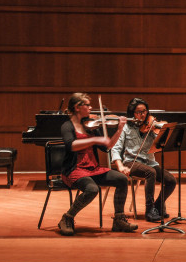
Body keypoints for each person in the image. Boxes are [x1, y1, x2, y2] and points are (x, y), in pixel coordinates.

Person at [58, 93, 138, 236]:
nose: (90, 107)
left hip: (93, 169)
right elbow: (72, 145)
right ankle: (67, 217)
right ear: (77, 107)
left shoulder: (91, 125)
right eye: (87, 105)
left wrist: (119, 129)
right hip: (74, 170)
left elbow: (107, 146)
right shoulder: (67, 126)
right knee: (92, 189)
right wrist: (94, 140)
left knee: (121, 179)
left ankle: (119, 220)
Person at [111, 98, 176, 222]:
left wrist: (156, 132)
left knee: (171, 181)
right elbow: (116, 148)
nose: (142, 115)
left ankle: (158, 205)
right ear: (132, 114)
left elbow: (161, 144)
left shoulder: (152, 127)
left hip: (150, 162)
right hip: (131, 162)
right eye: (138, 112)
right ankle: (149, 210)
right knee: (150, 172)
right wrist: (120, 166)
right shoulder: (126, 127)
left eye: (144, 111)